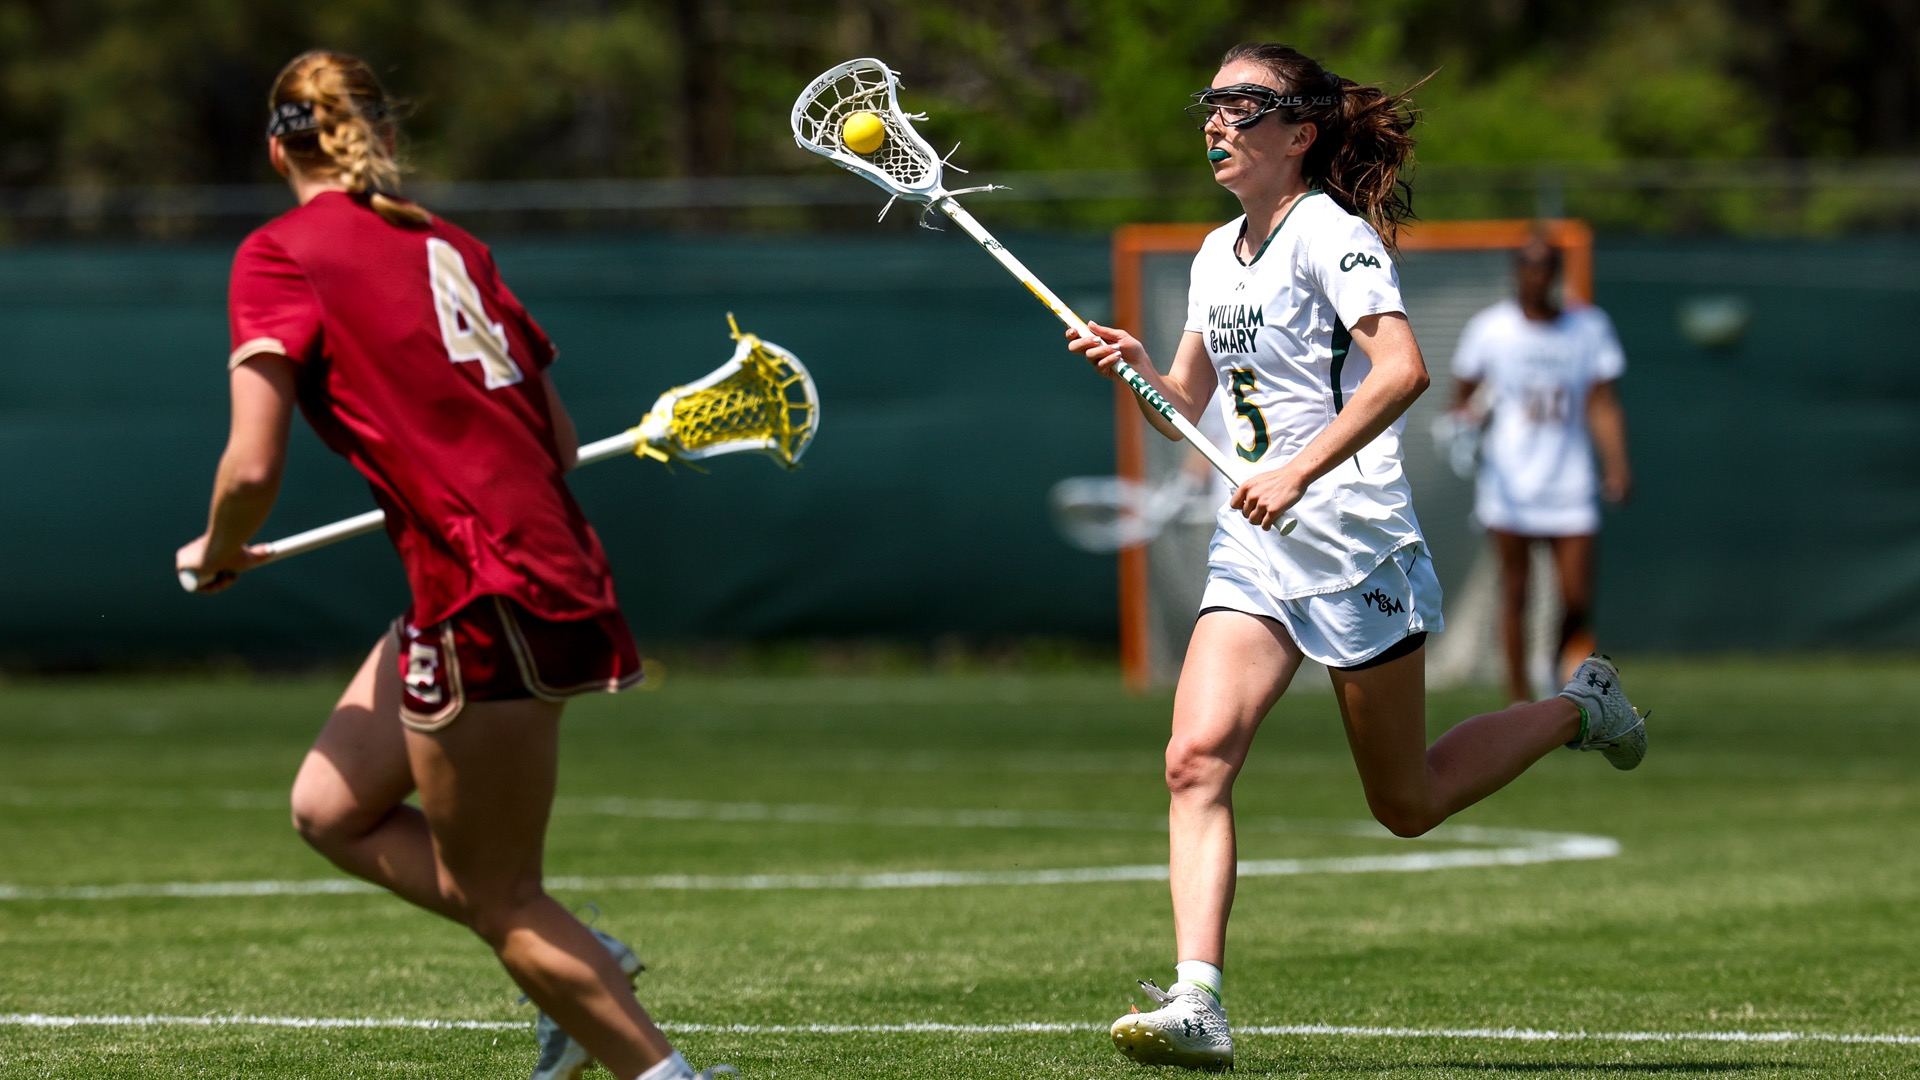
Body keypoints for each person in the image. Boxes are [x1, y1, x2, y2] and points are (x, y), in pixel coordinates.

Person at [1065, 43, 1648, 1071]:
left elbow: (1402, 372)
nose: (1217, 122)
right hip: (1256, 547)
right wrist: (1142, 369)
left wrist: (1294, 472)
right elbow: (1188, 415)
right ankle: (1199, 1000)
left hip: (1349, 538)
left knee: (1406, 804)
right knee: (1194, 759)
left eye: (1243, 108)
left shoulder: (1330, 237)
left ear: (1300, 132)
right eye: (1212, 104)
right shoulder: (1213, 255)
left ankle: (1580, 705)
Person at [173, 51, 731, 1080]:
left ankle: (643, 1043)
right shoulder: (453, 245)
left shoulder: (280, 253)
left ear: (274, 144)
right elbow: (556, 444)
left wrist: (217, 548)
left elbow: (252, 464)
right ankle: (585, 960)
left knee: (502, 900)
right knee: (329, 808)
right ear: (382, 134)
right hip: (533, 566)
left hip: (482, 586)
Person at [1450, 240, 1632, 704]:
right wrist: (1466, 423)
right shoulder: (1491, 329)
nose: (1536, 278)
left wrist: (1617, 464)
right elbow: (1462, 396)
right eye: (1527, 269)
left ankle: (1548, 668)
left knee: (1576, 598)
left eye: (1545, 269)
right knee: (1516, 592)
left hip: (1568, 477)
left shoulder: (1588, 327)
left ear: (1557, 274)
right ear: (1516, 274)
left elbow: (1602, 401)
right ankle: (1518, 696)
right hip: (1510, 480)